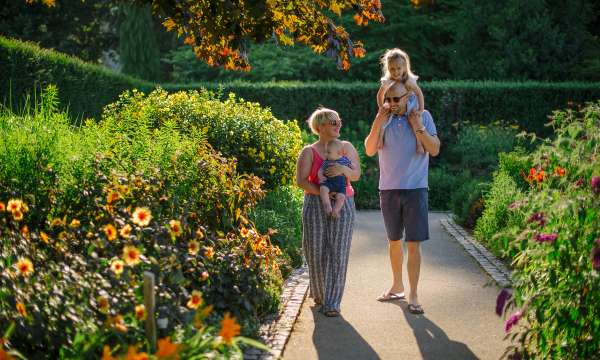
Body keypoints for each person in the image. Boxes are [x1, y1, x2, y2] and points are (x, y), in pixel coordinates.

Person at [364, 81, 440, 315]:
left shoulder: (423, 116)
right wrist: (378, 119)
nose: (392, 104)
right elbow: (368, 149)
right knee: (394, 241)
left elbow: (434, 148)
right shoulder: (384, 119)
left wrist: (417, 125)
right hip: (388, 189)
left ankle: (414, 294)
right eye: (389, 99)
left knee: (413, 244)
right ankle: (397, 287)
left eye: (397, 99)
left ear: (408, 97)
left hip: (416, 189)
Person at [296, 107, 361, 317]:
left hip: (344, 204)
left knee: (338, 252)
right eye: (333, 122)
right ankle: (320, 294)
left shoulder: (347, 147)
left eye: (339, 121)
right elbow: (301, 181)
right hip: (315, 204)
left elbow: (357, 174)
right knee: (314, 252)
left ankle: (333, 302)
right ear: (320, 126)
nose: (338, 125)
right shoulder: (308, 151)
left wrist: (343, 170)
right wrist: (323, 194)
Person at [376, 48, 426, 153]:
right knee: (384, 119)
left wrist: (421, 110)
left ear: (404, 67)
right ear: (388, 68)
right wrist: (382, 108)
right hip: (393, 102)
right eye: (392, 69)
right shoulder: (388, 81)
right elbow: (380, 95)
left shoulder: (408, 81)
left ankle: (419, 143)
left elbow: (419, 93)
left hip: (410, 103)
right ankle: (380, 139)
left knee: (415, 121)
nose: (396, 72)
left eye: (398, 68)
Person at [318, 139, 352, 219]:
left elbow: (351, 168)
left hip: (340, 185)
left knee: (341, 197)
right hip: (328, 182)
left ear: (339, 153)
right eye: (326, 152)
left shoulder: (345, 160)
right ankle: (327, 206)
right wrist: (321, 177)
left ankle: (335, 211)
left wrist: (350, 168)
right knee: (323, 189)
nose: (326, 154)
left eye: (328, 152)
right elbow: (320, 170)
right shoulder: (326, 161)